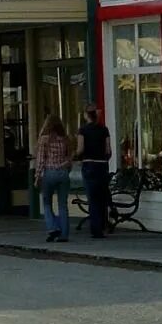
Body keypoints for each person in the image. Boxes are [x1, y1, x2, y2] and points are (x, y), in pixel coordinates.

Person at [34, 114, 72, 243]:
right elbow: (69, 158)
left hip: (49, 172)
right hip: (63, 172)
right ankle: (64, 234)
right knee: (63, 205)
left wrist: (37, 176)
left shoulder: (44, 139)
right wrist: (66, 169)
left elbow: (40, 160)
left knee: (47, 203)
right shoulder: (65, 139)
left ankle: (53, 227)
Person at [76, 104, 112, 239]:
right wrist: (105, 158)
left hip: (89, 164)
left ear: (86, 115)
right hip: (102, 165)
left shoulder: (83, 130)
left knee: (92, 197)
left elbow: (80, 149)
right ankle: (103, 226)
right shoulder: (104, 130)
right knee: (102, 197)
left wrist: (77, 157)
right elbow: (108, 150)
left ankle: (95, 229)